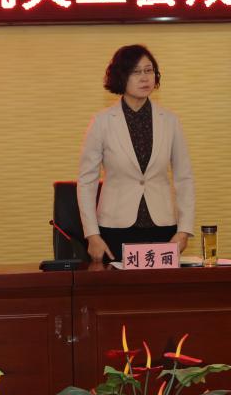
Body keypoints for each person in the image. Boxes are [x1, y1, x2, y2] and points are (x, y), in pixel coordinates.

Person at [78, 44, 195, 264]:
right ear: (121, 76)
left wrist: (184, 230)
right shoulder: (102, 122)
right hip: (114, 228)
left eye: (149, 70)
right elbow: (86, 182)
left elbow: (184, 177)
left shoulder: (170, 121)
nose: (144, 78)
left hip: (163, 227)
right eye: (136, 71)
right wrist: (92, 234)